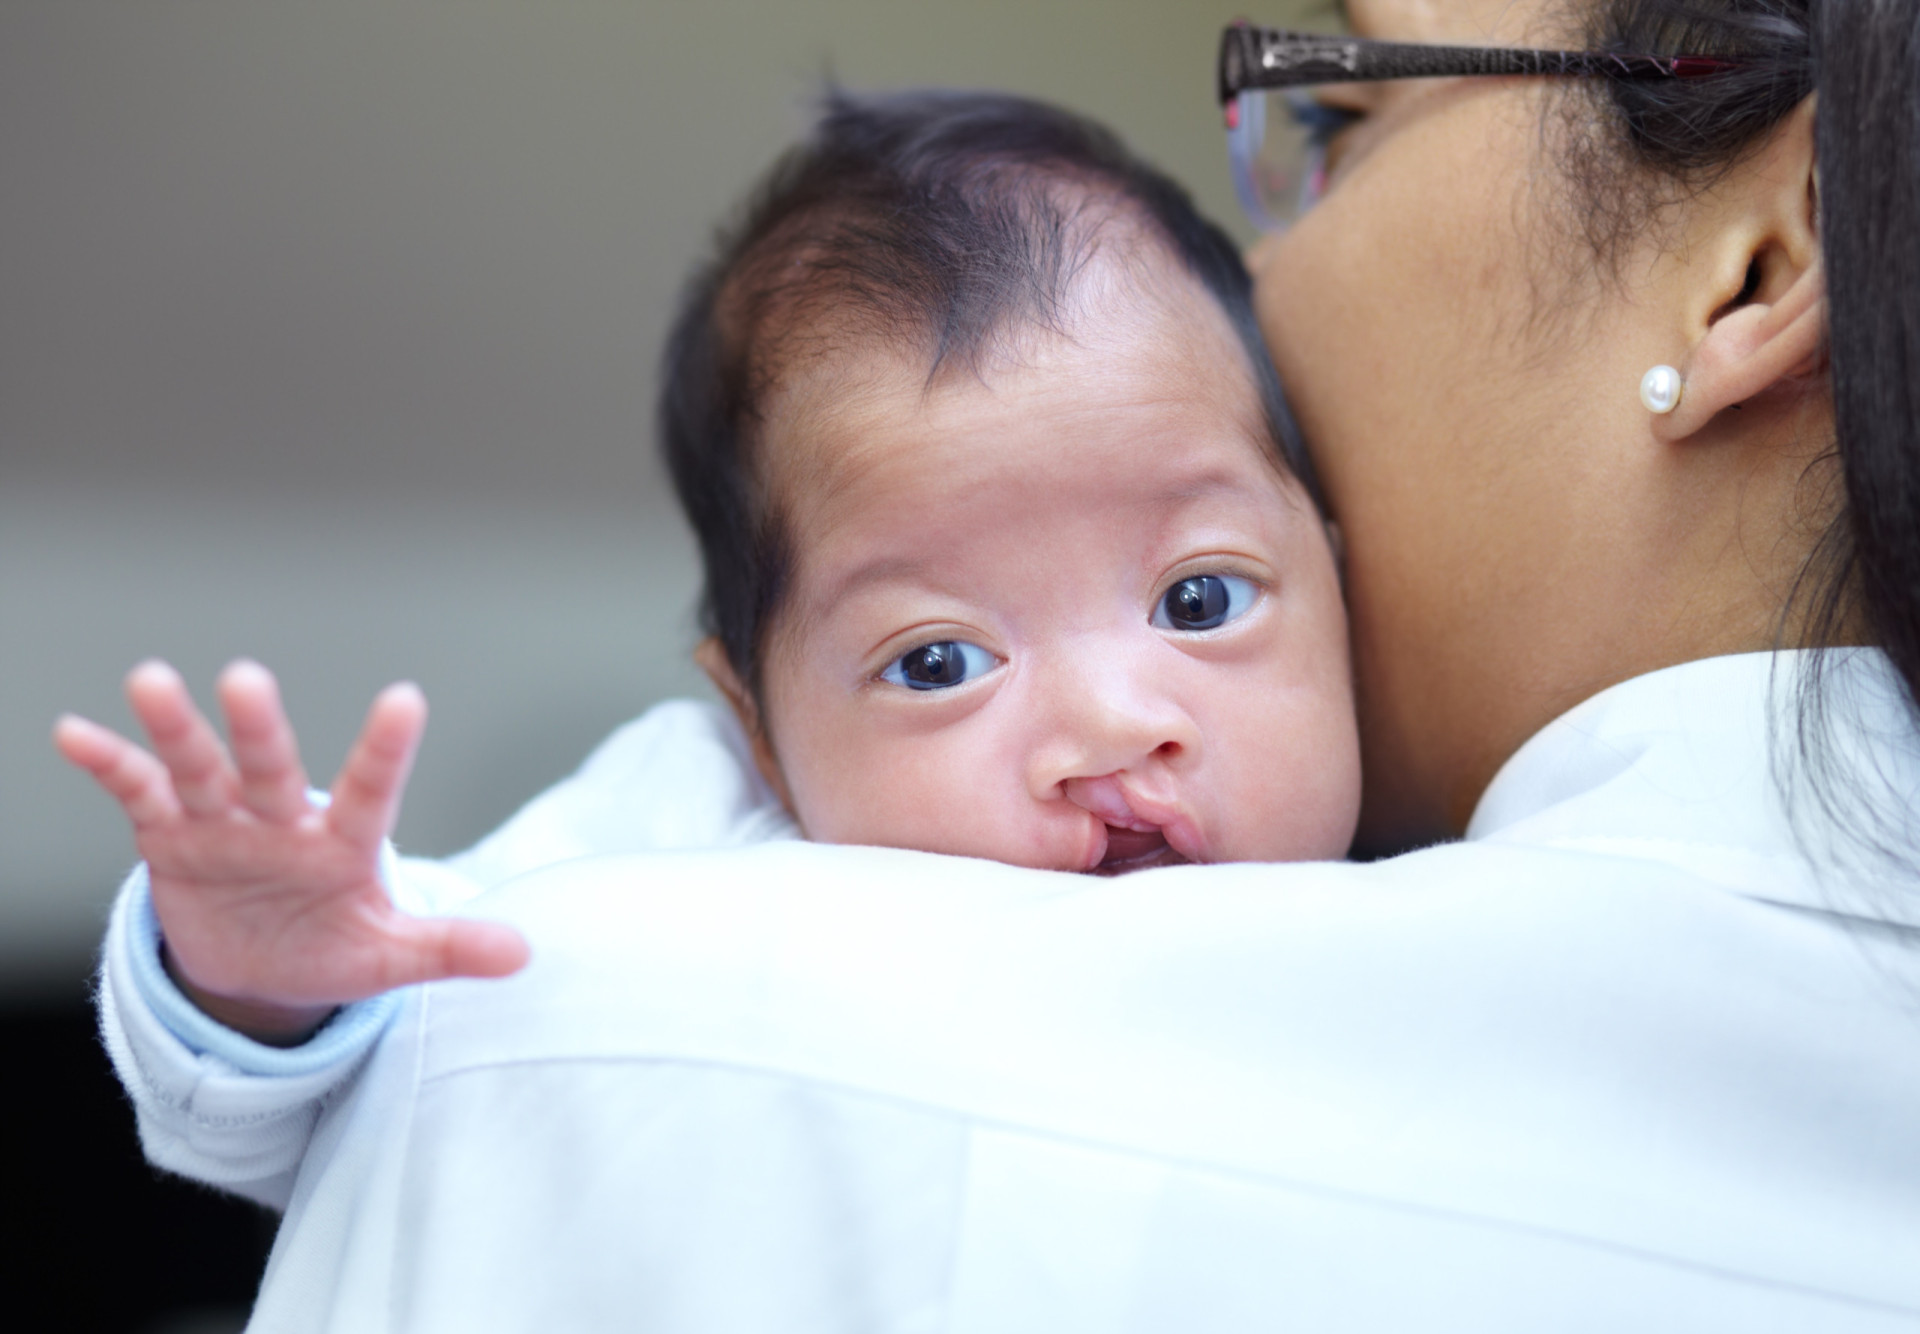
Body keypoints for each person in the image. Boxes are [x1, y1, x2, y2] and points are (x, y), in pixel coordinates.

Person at [62, 0, 1920, 1327]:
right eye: (941, 657)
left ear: (1767, 262)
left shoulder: (651, 1074)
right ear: (758, 730)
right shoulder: (671, 860)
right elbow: (403, 985)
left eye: (1336, 123)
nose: (1111, 728)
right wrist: (255, 976)